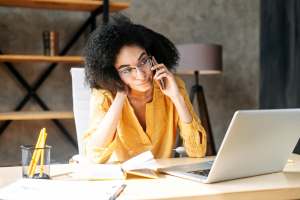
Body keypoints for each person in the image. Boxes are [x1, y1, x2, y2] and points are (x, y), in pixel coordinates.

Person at [83, 15, 207, 163]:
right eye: (126, 70)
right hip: (119, 182)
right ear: (113, 73)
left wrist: (176, 97)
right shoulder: (103, 95)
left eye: (143, 61)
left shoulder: (173, 86)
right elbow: (93, 158)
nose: (141, 75)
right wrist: (120, 95)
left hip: (163, 181)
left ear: (153, 57)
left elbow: (198, 151)